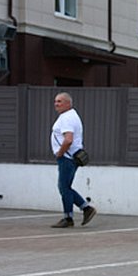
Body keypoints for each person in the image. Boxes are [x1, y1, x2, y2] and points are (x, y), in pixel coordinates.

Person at [50, 92, 97, 228]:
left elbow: (68, 139)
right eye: (55, 101)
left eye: (60, 101)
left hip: (67, 157)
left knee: (64, 187)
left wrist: (60, 153)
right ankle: (86, 209)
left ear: (68, 103)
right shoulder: (71, 115)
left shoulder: (67, 118)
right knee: (65, 187)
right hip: (72, 156)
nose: (56, 104)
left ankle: (69, 217)